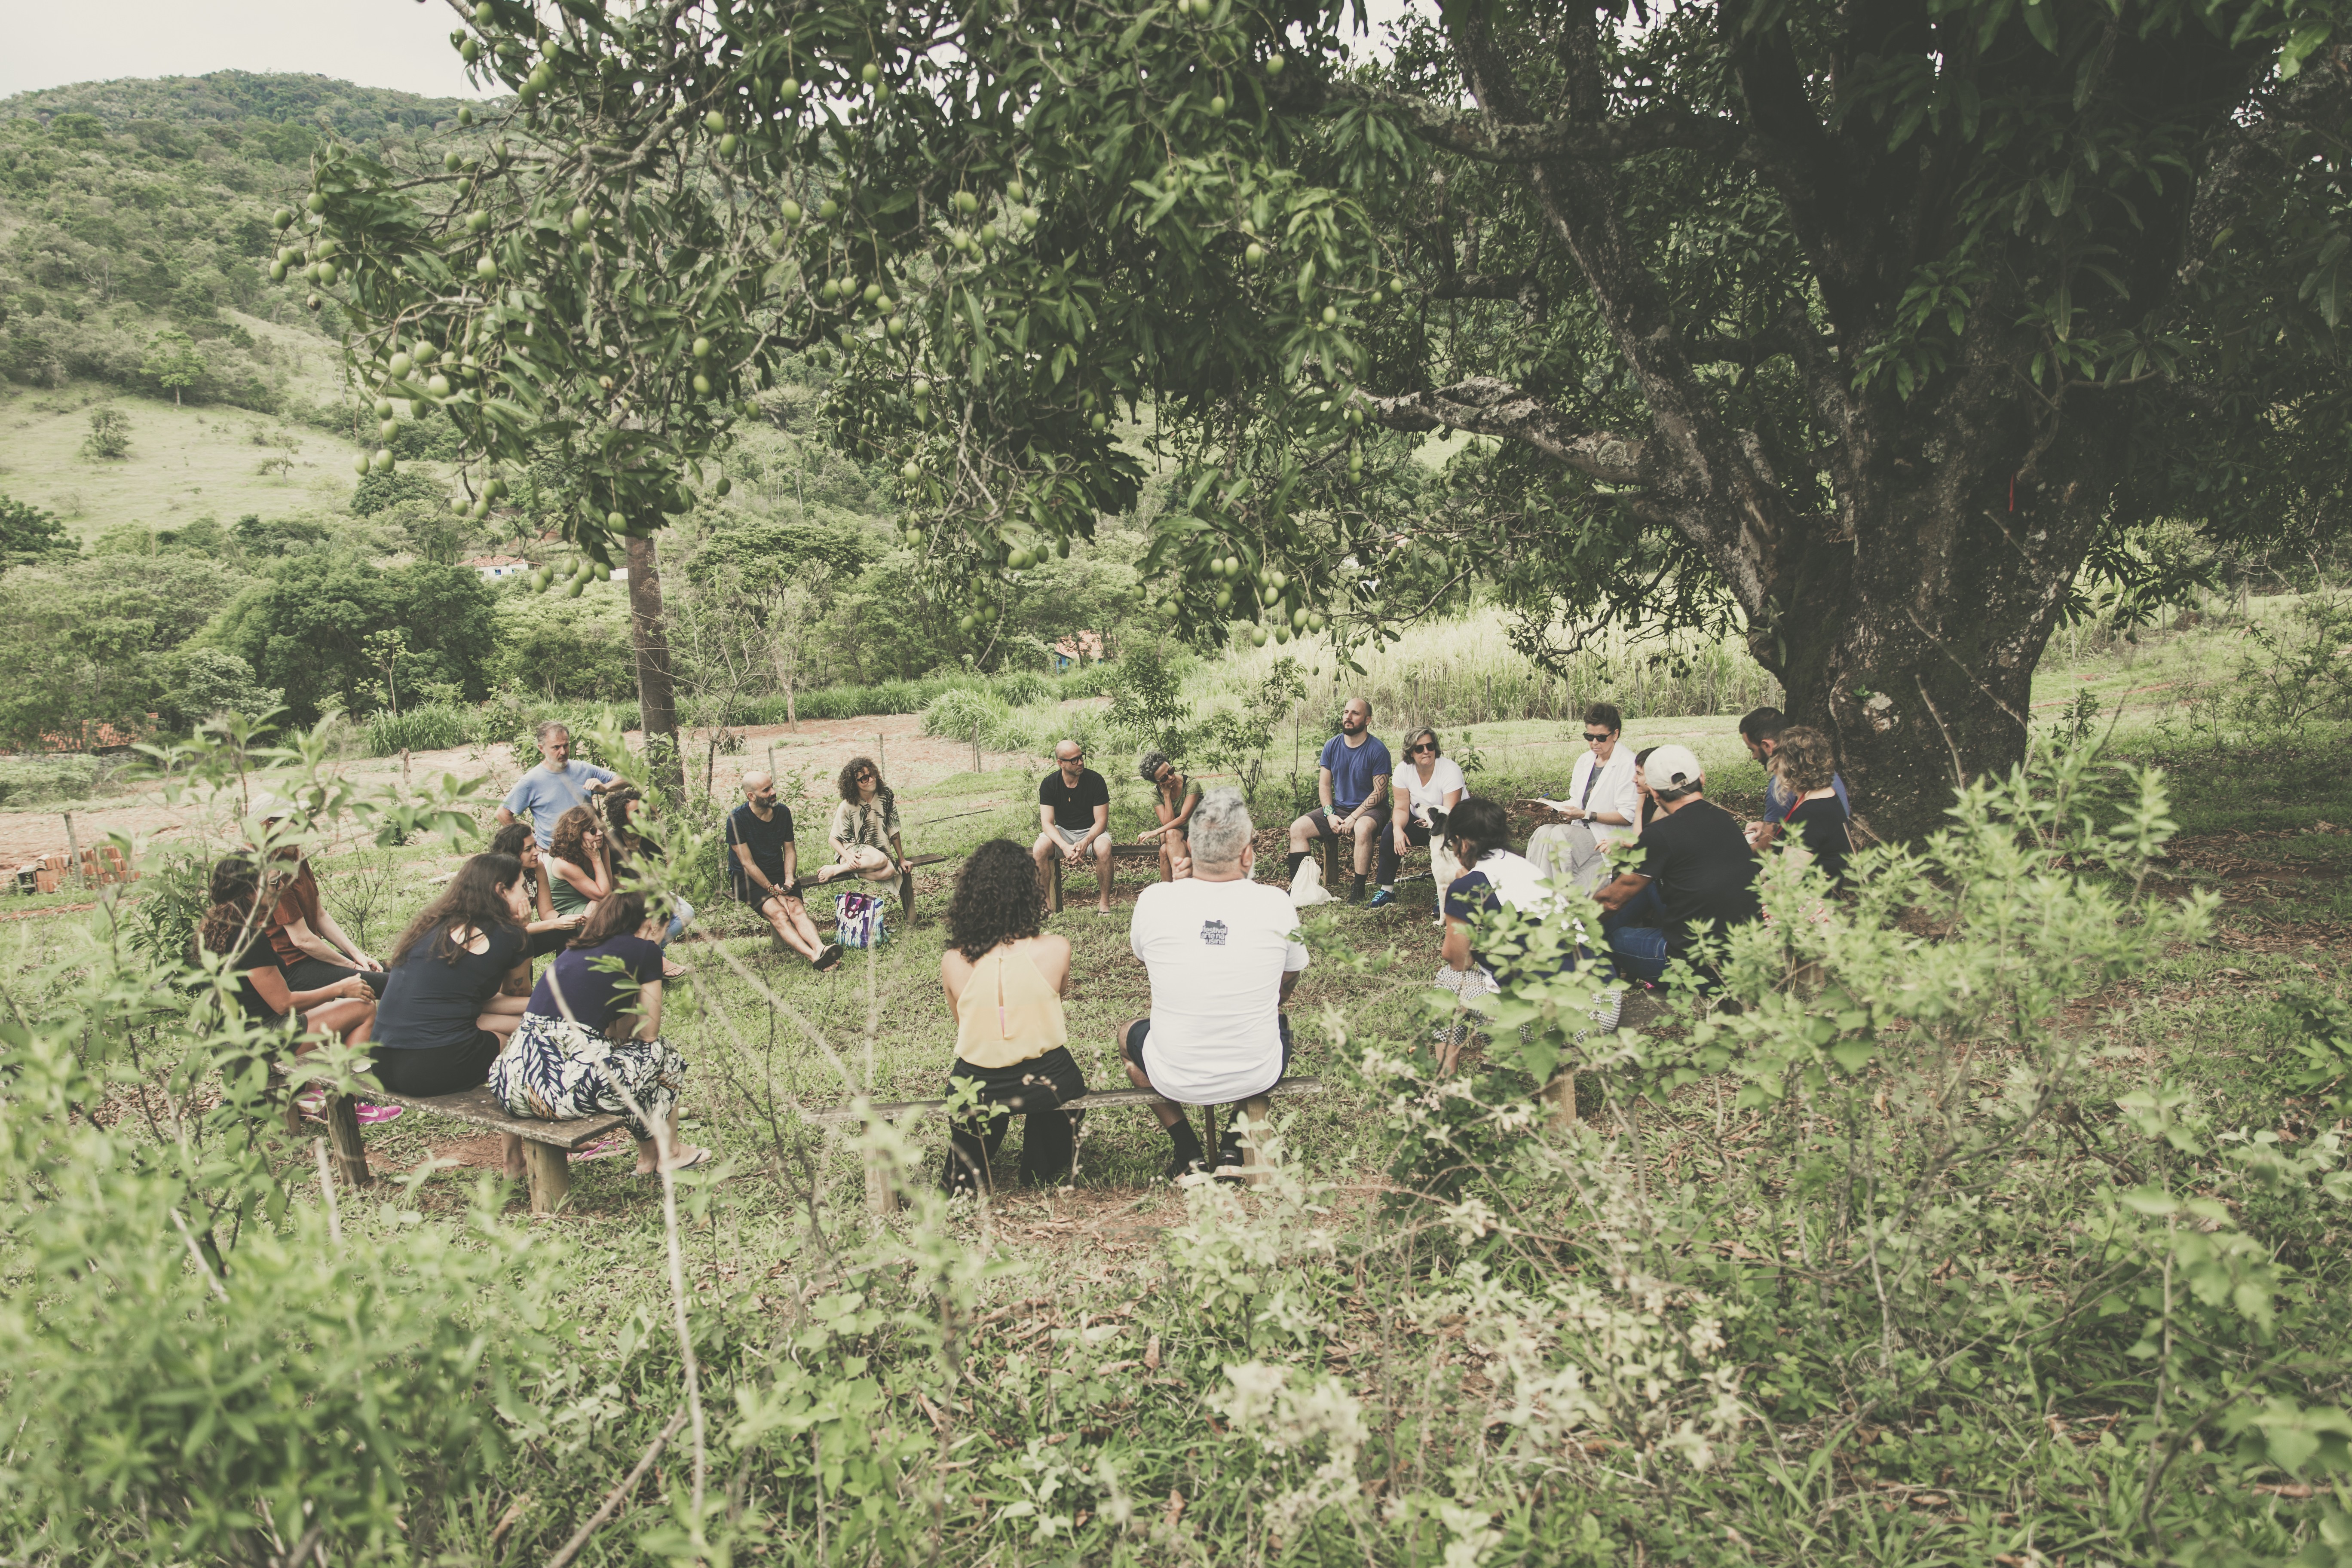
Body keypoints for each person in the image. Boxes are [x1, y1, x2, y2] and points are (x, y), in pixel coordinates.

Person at [1120, 789, 1309, 1178]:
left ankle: (1189, 1152)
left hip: (1173, 1070)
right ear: (1247, 855)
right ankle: (1231, 1147)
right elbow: (1290, 976)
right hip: (1255, 1068)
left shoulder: (1154, 900)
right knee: (1276, 1024)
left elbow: (1146, 958)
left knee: (1127, 1037)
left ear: (1190, 847)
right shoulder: (1277, 903)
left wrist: (1179, 891)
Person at [491, 889, 710, 1176]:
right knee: (662, 1053)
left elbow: (618, 1033)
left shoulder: (574, 951)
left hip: (510, 1087)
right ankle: (672, 1153)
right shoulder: (645, 951)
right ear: (651, 923)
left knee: (630, 1063)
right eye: (666, 926)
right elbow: (648, 1035)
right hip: (559, 1094)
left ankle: (648, 1159)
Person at [372, 852, 540, 1177]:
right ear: (501, 890)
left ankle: (518, 1157)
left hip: (383, 1062)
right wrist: (522, 930)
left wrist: (541, 1006)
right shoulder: (510, 936)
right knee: (521, 1042)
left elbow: (471, 1001)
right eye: (522, 886)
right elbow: (519, 994)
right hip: (431, 1065)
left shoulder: (431, 926)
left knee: (525, 1022)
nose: (527, 895)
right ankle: (515, 1160)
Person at [937, 839, 1086, 1192]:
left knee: (964, 1166)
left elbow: (966, 1025)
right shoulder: (1057, 948)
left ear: (971, 896)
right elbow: (1053, 1000)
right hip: (1047, 1080)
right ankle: (1039, 1166)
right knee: (1062, 1086)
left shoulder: (954, 960)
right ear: (1030, 892)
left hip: (979, 1083)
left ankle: (972, 1167)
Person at [1591, 744, 1762, 986]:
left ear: (1654, 793)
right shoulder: (1723, 817)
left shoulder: (1660, 834)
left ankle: (1601, 985)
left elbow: (1612, 901)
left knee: (1609, 936)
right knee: (1647, 884)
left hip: (1699, 967)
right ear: (1702, 778)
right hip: (1746, 956)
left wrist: (1576, 922)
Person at [199, 856, 379, 1048]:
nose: (281, 887)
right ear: (248, 891)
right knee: (364, 1008)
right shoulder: (249, 937)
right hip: (258, 1041)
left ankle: (328, 1067)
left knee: (329, 1010)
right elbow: (283, 1004)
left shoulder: (215, 929)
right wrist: (340, 988)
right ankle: (348, 1068)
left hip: (226, 1042)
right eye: (274, 883)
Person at [249, 797, 388, 999]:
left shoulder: (295, 856)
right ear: (271, 826)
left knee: (391, 972)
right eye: (296, 820)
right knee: (393, 984)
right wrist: (352, 966)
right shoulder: (272, 871)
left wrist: (357, 955)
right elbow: (302, 940)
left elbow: (320, 914)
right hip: (292, 968)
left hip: (311, 958)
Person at [726, 772, 843, 970]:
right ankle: (814, 957)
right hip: (746, 877)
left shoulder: (782, 813)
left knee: (796, 909)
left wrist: (789, 879)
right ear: (751, 796)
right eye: (766, 790)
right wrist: (774, 891)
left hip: (777, 872)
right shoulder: (737, 820)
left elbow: (789, 850)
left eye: (772, 786)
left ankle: (821, 949)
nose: (773, 792)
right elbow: (748, 864)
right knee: (779, 913)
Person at [1525, 703, 1642, 894]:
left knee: (1560, 834)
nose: (1594, 743)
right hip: (1583, 830)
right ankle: (1534, 891)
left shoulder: (1628, 764)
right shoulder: (1585, 760)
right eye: (1589, 737)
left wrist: (1586, 815)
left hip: (1607, 835)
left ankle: (1554, 895)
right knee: (1543, 832)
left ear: (1615, 734)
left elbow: (1627, 816)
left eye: (1601, 738)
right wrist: (1550, 806)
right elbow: (1576, 802)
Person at [1286, 696, 1391, 903]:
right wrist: (1330, 814)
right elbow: (1325, 786)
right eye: (1346, 712)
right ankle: (1298, 890)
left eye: (1355, 713)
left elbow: (1379, 792)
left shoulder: (1378, 750)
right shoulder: (1332, 746)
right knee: (1297, 829)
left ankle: (1358, 890)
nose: (1348, 717)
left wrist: (1354, 817)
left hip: (1372, 810)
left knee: (1362, 828)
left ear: (1368, 720)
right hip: (1340, 808)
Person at [1372, 727, 1465, 908]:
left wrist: (1431, 824)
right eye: (1419, 748)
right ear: (1410, 752)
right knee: (1390, 833)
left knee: (1451, 838)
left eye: (1430, 746)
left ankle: (1448, 893)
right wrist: (1398, 829)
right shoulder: (1403, 770)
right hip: (1420, 821)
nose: (1426, 752)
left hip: (1451, 823)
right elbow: (1401, 807)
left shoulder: (1450, 770)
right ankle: (1387, 891)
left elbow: (1450, 814)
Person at [603, 784, 692, 974]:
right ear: (622, 817)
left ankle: (650, 950)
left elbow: (659, 872)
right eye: (636, 812)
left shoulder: (649, 836)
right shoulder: (612, 844)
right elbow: (617, 885)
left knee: (686, 912)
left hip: (650, 891)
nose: (643, 816)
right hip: (626, 898)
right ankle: (654, 958)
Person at [1739, 707, 1850, 850]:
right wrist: (1765, 827)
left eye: (1752, 750)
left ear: (1767, 746)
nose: (1754, 757)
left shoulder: (1782, 784)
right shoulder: (1825, 773)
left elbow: (1767, 847)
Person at [814, 756, 917, 908]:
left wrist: (902, 859)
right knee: (881, 860)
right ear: (853, 784)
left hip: (876, 852)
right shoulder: (847, 806)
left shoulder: (886, 795)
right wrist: (848, 857)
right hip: (852, 850)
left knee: (890, 870)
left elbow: (893, 828)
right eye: (864, 778)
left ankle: (839, 870)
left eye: (872, 774)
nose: (871, 780)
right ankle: (839, 868)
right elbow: (833, 839)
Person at [496, 722, 619, 847]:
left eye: (566, 746)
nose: (563, 752)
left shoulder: (583, 769)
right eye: (556, 748)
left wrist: (606, 787)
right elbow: (503, 814)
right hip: (554, 852)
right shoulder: (531, 781)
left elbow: (624, 780)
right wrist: (528, 844)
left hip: (589, 848)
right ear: (541, 748)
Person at [1031, 740, 1113, 915]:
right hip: (1063, 832)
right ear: (1061, 763)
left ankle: (1105, 904)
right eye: (1074, 760)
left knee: (1104, 848)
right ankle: (1046, 905)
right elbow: (1047, 823)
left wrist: (1086, 842)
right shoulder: (1049, 784)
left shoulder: (1096, 781)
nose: (1081, 762)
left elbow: (1101, 822)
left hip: (1092, 832)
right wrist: (1064, 846)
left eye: (1081, 757)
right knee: (1039, 848)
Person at [1769, 725, 1853, 887]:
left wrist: (1745, 896)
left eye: (1777, 762)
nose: (1774, 769)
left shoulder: (1811, 814)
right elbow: (1777, 864)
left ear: (1791, 767)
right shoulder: (1824, 795)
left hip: (1808, 900)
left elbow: (1787, 883)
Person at [489, 822, 590, 948]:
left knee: (567, 931)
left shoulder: (537, 867)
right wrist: (555, 924)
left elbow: (547, 912)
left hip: (521, 932)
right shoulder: (498, 878)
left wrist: (565, 919)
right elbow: (507, 929)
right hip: (498, 939)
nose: (536, 852)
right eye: (528, 850)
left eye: (535, 846)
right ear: (513, 854)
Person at [1135, 750, 1202, 882]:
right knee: (1170, 834)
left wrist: (1155, 832)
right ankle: (1181, 884)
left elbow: (1184, 818)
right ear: (1157, 782)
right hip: (1176, 836)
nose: (1171, 777)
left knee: (1164, 850)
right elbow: (1168, 823)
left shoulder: (1191, 784)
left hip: (1197, 835)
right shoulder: (1156, 794)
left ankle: (1175, 887)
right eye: (1164, 778)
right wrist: (1166, 796)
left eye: (1171, 771)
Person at [544, 805, 615, 920]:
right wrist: (596, 860)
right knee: (598, 907)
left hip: (594, 904)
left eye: (601, 828)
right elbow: (604, 896)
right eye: (593, 830)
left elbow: (609, 890)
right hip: (567, 914)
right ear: (576, 834)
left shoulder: (602, 848)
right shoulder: (564, 864)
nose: (600, 833)